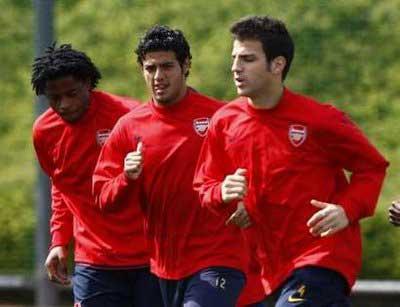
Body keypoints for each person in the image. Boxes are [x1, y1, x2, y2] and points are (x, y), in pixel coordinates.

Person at [193, 16, 389, 307]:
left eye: (248, 59)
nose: (235, 68)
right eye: (234, 58)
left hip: (321, 257)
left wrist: (346, 210)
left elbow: (371, 167)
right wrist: (224, 194)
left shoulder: (320, 119)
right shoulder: (224, 122)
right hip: (260, 268)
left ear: (277, 64)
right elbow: (204, 185)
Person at [93, 25, 248, 307]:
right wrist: (126, 178)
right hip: (164, 265)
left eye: (167, 67)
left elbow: (265, 164)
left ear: (186, 65)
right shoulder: (129, 127)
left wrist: (250, 202)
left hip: (219, 256)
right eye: (150, 68)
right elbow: (103, 198)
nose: (158, 76)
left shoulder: (221, 116)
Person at [31, 44, 161, 307]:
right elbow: (63, 185)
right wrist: (59, 241)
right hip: (94, 262)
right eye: (54, 98)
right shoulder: (44, 132)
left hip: (151, 257)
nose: (64, 105)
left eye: (71, 94)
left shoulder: (129, 115)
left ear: (88, 83)